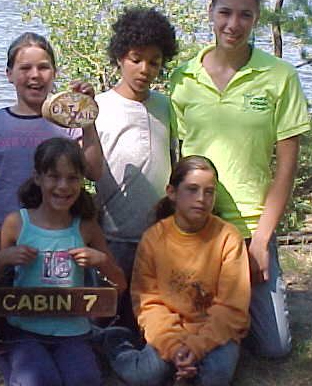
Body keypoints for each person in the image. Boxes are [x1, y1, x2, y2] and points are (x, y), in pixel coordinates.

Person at [170, 0, 310, 358]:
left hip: (251, 226)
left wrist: (261, 241)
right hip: (198, 223)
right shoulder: (184, 78)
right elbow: (176, 161)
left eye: (245, 15)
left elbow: (286, 169)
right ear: (210, 12)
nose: (233, 24)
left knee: (274, 348)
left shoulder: (279, 77)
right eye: (225, 13)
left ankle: (232, 310)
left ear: (257, 18)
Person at [103, 155, 251, 386]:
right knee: (146, 376)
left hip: (214, 332)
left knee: (215, 377)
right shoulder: (153, 239)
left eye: (209, 192)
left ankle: (188, 367)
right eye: (192, 189)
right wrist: (173, 347)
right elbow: (148, 302)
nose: (201, 199)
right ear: (172, 192)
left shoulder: (228, 238)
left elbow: (232, 307)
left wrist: (196, 347)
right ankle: (116, 340)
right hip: (169, 330)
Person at [0, 137, 126, 386]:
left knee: (84, 379)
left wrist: (101, 261)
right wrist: (2, 259)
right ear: (38, 177)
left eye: (72, 178)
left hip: (73, 332)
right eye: (54, 176)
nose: (63, 186)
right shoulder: (17, 223)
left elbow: (120, 285)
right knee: (40, 380)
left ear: (82, 180)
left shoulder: (86, 227)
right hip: (24, 330)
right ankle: (8, 359)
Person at [0, 32, 103, 252]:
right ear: (9, 74)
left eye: (43, 67)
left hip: (56, 232)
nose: (35, 75)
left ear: (55, 73)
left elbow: (94, 172)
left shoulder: (68, 124)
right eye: (25, 68)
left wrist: (87, 114)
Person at [95, 7, 178, 330]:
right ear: (119, 57)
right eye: (136, 59)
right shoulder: (100, 108)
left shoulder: (166, 107)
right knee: (107, 314)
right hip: (112, 235)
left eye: (154, 62)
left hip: (157, 235)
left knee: (146, 316)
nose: (145, 69)